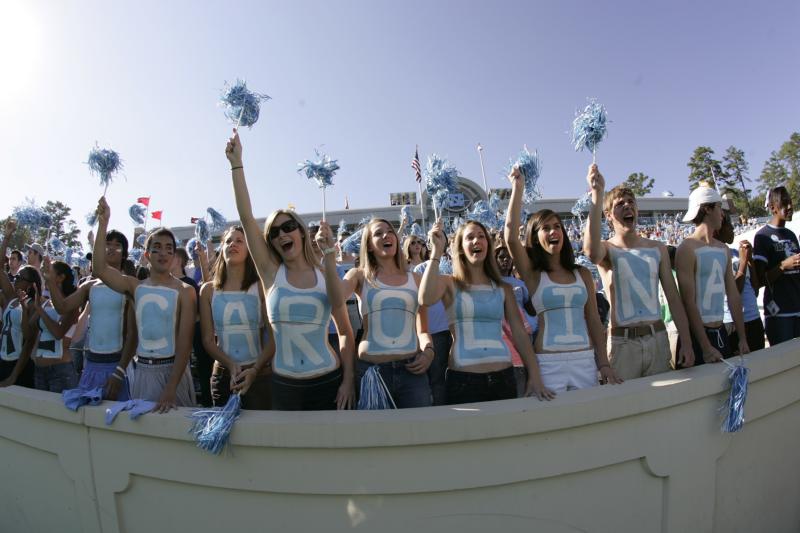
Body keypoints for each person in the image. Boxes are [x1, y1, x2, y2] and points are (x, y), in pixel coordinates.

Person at [226, 129, 355, 410]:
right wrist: (237, 165)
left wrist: (348, 381)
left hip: (328, 382)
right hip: (284, 384)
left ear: (301, 232)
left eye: (288, 227)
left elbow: (345, 331)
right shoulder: (271, 273)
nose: (282, 235)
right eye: (274, 232)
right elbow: (246, 218)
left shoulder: (324, 272)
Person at [505, 167, 620, 393]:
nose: (553, 232)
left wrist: (603, 363)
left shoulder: (582, 274)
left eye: (557, 226)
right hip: (548, 364)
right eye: (545, 228)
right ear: (535, 237)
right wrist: (517, 189)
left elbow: (594, 322)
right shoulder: (532, 274)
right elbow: (509, 236)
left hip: (585, 361)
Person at [420, 219, 554, 404]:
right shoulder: (448, 283)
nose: (476, 241)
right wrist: (435, 252)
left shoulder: (504, 288)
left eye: (481, 236)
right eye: (470, 237)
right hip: (463, 380)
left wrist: (535, 374)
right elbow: (424, 298)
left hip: (504, 377)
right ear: (460, 248)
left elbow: (520, 334)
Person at [582, 164, 695, 378]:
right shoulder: (607, 249)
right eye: (620, 204)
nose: (627, 206)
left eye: (631, 202)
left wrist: (686, 343)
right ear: (608, 215)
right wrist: (597, 193)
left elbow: (673, 297)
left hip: (658, 337)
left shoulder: (657, 248)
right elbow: (589, 251)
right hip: (623, 343)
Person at [92, 197, 197, 412]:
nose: (164, 253)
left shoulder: (186, 291)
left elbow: (185, 344)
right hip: (142, 372)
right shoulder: (135, 287)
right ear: (147, 254)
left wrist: (171, 388)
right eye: (157, 248)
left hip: (173, 373)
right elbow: (100, 269)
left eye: (169, 248)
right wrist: (103, 223)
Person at [337, 218, 434, 408]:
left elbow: (422, 330)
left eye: (390, 231)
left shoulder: (416, 278)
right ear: (369, 246)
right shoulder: (358, 275)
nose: (386, 235)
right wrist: (328, 251)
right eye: (378, 233)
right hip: (373, 373)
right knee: (377, 436)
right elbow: (335, 299)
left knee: (418, 433)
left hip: (412, 372)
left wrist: (429, 352)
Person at [44, 230, 136, 401]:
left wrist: (120, 371)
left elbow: (132, 335)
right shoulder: (89, 286)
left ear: (124, 254)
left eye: (117, 245)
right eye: (108, 244)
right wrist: (50, 280)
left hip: (117, 367)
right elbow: (62, 307)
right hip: (91, 364)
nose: (111, 248)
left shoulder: (129, 285)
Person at [199, 226, 273, 409]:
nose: (233, 244)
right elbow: (208, 340)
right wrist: (231, 366)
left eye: (240, 240)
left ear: (249, 250)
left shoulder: (261, 288)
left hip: (259, 376)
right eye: (228, 241)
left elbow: (273, 339)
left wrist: (254, 371)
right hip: (222, 377)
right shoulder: (207, 290)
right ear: (221, 248)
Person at [675, 185, 749, 363]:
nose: (722, 214)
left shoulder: (723, 249)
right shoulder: (687, 248)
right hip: (697, 335)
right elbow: (688, 302)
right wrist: (705, 346)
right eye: (718, 207)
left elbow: (733, 295)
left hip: (721, 331)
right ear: (707, 208)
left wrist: (742, 338)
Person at [753, 186, 800, 346]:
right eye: (785, 203)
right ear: (772, 207)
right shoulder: (762, 237)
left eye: (790, 203)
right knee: (783, 361)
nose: (789, 207)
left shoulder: (791, 235)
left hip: (797, 308)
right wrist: (783, 265)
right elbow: (760, 281)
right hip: (779, 314)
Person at [717, 205, 764, 353]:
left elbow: (755, 291)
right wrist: (743, 264)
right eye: (729, 225)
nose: (732, 229)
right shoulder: (717, 256)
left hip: (753, 318)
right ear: (718, 229)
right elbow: (734, 292)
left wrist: (749, 261)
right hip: (732, 322)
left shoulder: (737, 253)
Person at [30, 260, 79, 392]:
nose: (45, 275)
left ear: (61, 277)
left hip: (60, 371)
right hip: (39, 370)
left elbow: (58, 333)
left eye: (49, 272)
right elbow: (29, 329)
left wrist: (40, 310)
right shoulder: (45, 303)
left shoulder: (71, 304)